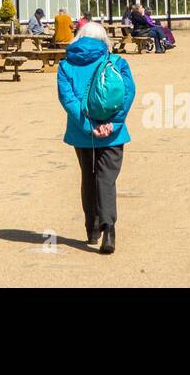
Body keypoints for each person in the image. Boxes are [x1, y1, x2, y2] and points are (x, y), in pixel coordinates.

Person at [56, 22, 135, 255]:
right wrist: (115, 123)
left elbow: (67, 98)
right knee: (106, 179)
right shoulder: (117, 62)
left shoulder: (66, 64)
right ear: (104, 38)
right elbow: (127, 94)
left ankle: (91, 228)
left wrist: (89, 126)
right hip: (113, 133)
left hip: (82, 132)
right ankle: (108, 228)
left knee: (88, 177)